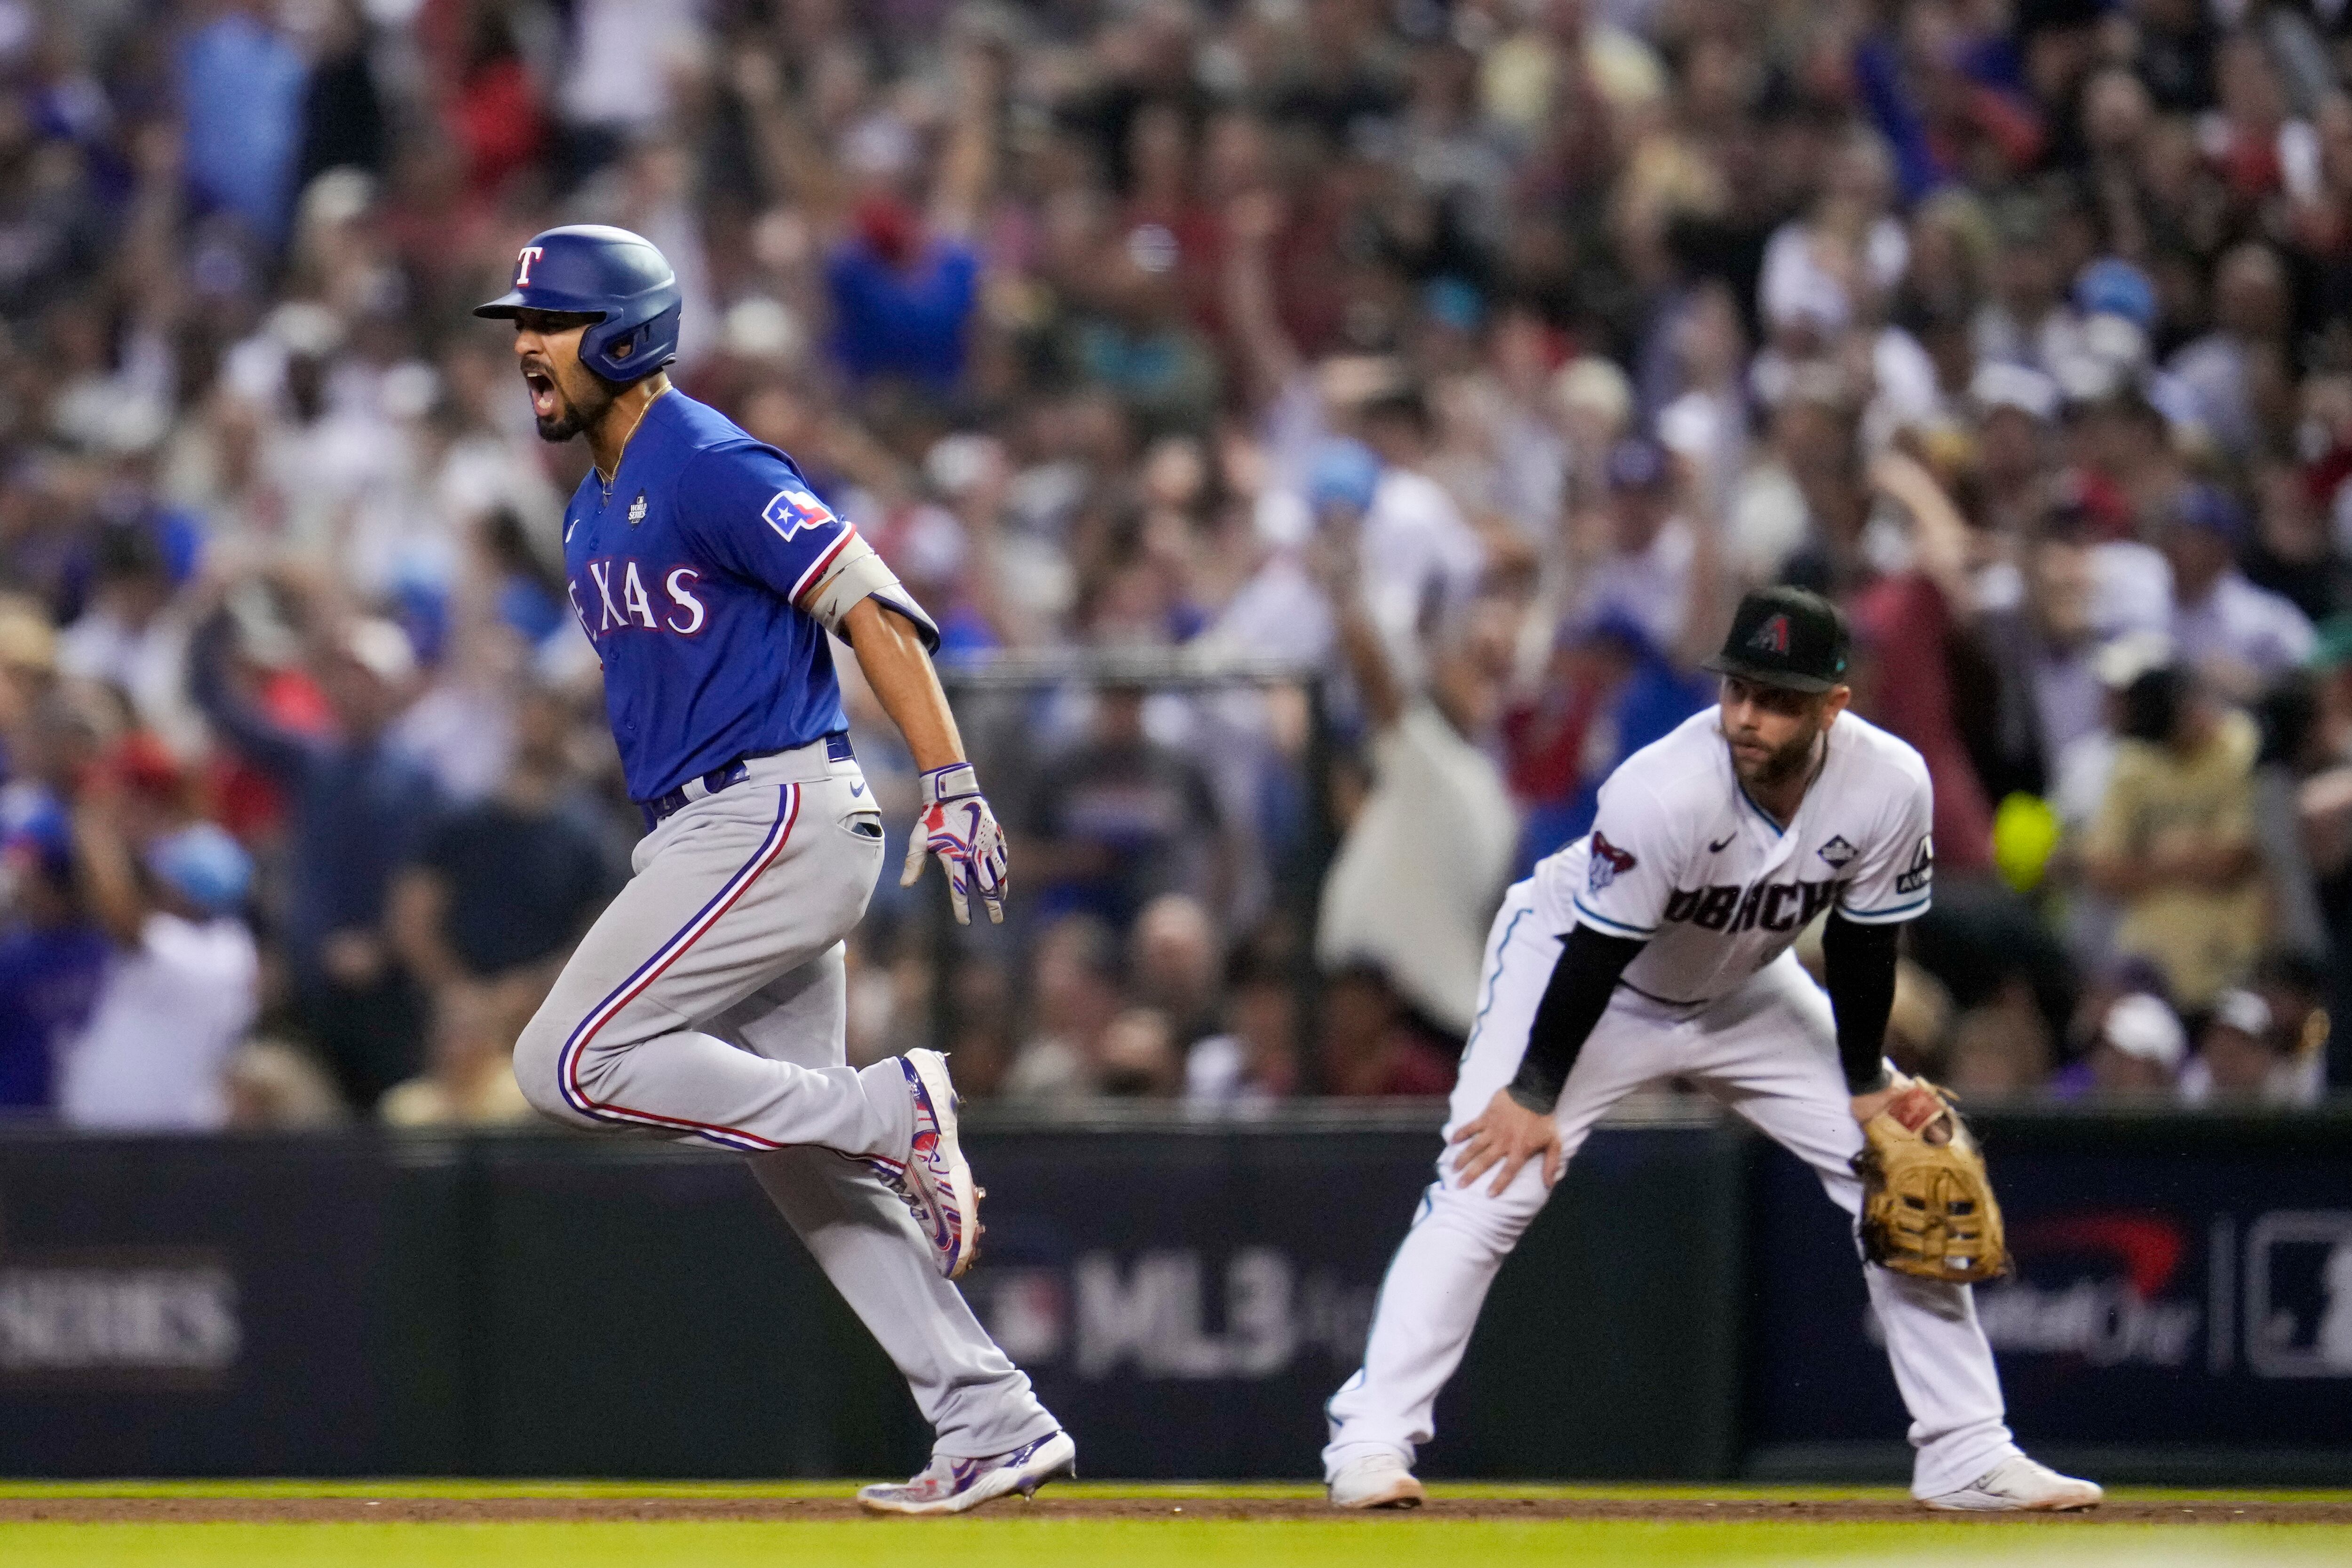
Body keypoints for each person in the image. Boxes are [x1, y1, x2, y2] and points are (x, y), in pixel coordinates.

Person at [477, 226, 1070, 1513]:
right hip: (715, 825)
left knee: (565, 1060)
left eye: (556, 319)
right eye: (521, 319)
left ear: (627, 334)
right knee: (796, 1158)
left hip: (770, 815)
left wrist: (953, 777)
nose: (527, 340)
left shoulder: (706, 456)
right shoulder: (591, 501)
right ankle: (991, 1417)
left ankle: (889, 1106)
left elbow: (870, 600)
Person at [1321, 586, 2100, 1513]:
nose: (1747, 715)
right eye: (1737, 690)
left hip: (1742, 988)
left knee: (1901, 1162)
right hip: (1579, 973)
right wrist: (1532, 1089)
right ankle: (1369, 1441)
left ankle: (1967, 1451)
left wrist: (1862, 1086)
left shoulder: (1890, 782)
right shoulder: (1664, 787)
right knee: (1489, 1178)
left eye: (1776, 698)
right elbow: (1597, 954)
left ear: (1831, 705)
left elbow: (1862, 941)